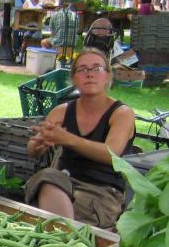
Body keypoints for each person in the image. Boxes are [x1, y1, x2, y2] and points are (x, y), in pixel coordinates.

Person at [25, 48, 135, 228]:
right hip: (61, 185)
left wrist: (68, 139)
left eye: (96, 68)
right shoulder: (61, 111)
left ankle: (65, 237)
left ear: (107, 76)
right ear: (74, 79)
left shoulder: (122, 113)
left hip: (102, 192)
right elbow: (32, 150)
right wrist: (40, 144)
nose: (89, 74)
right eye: (82, 69)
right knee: (47, 176)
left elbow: (111, 154)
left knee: (50, 221)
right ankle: (66, 236)